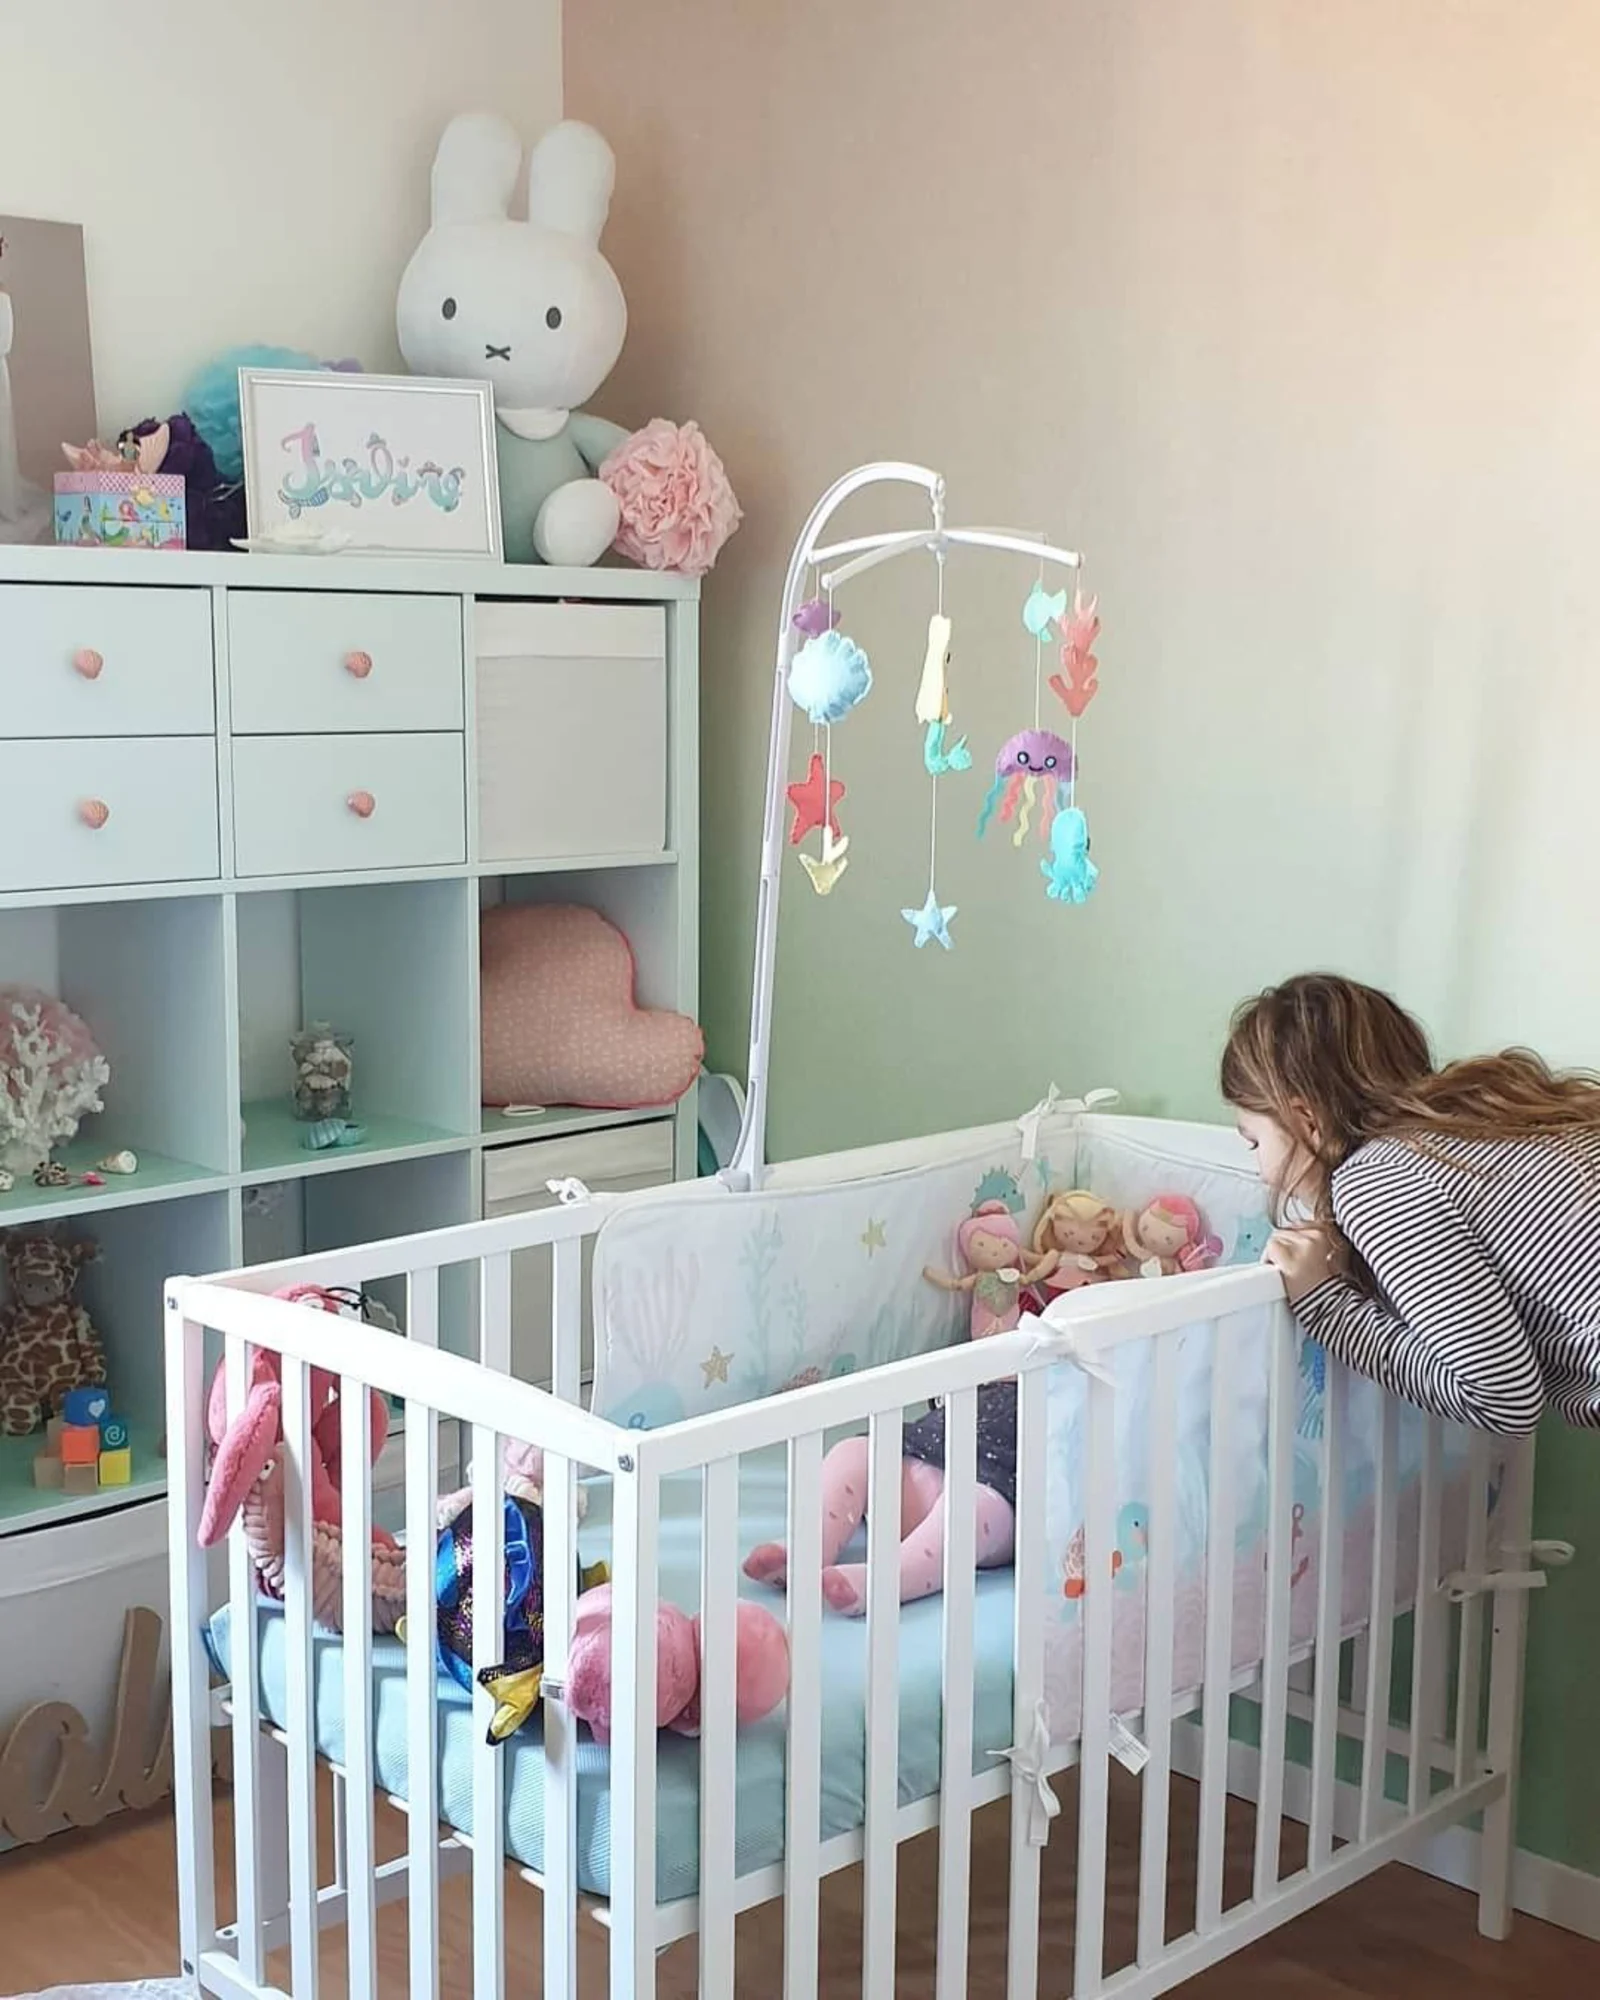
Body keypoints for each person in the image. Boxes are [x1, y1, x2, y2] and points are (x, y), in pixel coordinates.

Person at [1220, 972, 1600, 1435]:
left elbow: (1503, 1399)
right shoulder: (1471, 1123)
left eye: (1254, 1142)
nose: (1260, 1170)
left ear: (1305, 1120)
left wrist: (1326, 1304)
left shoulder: (1378, 1179)